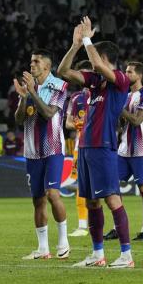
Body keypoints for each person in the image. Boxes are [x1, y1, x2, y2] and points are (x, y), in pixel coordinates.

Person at [57, 17, 134, 269]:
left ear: (104, 57)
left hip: (103, 145)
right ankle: (97, 254)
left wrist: (89, 39)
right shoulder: (95, 83)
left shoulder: (120, 79)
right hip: (86, 145)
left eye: (95, 56)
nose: (92, 62)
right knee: (91, 202)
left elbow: (100, 67)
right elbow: (63, 72)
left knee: (112, 199)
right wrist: (75, 45)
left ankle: (126, 255)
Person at [13, 49, 71, 260]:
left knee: (53, 194)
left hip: (53, 148)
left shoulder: (59, 85)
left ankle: (63, 242)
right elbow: (19, 120)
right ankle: (43, 248)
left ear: (47, 66)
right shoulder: (30, 88)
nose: (32, 64)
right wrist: (23, 98)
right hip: (32, 151)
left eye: (36, 61)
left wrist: (32, 93)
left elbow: (48, 114)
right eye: (31, 61)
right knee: (38, 201)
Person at [111, 61, 143, 241]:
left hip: (141, 148)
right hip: (124, 149)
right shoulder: (125, 95)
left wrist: (118, 108)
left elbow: (137, 121)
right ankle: (118, 227)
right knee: (113, 185)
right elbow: (123, 122)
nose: (125, 74)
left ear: (139, 75)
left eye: (129, 72)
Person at [63, 61, 92, 238]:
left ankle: (110, 225)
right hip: (80, 145)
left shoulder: (102, 94)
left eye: (87, 73)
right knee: (82, 184)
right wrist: (78, 124)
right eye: (81, 74)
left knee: (102, 186)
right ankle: (82, 225)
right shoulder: (75, 98)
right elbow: (67, 123)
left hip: (100, 145)